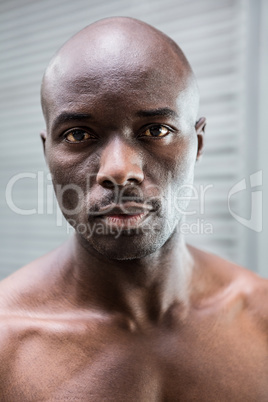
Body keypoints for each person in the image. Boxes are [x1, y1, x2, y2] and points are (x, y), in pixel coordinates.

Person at [0, 16, 267, 401]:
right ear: (48, 152)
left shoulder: (262, 318)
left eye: (156, 130)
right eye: (79, 135)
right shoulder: (7, 345)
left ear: (198, 144)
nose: (119, 171)